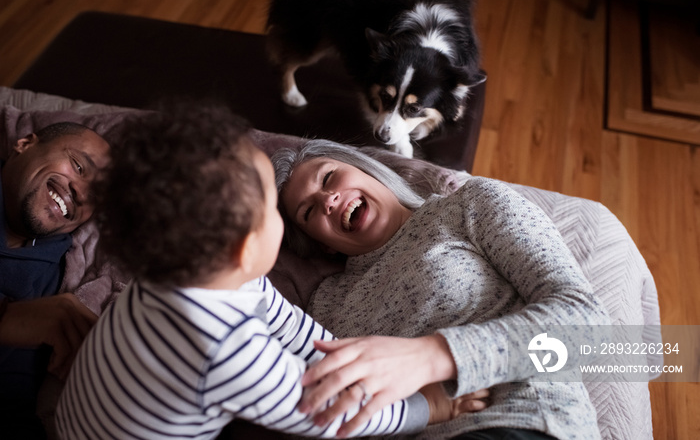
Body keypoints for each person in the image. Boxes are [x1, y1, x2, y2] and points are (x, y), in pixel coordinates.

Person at [55, 106, 481, 439]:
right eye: (277, 215)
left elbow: (285, 321)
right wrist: (429, 409)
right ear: (246, 248)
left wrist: (347, 362)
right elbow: (327, 414)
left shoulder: (175, 272)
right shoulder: (225, 349)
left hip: (81, 414)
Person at [272, 139, 612, 440]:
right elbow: (331, 416)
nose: (328, 201)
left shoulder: (466, 207)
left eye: (328, 178)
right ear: (322, 245)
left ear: (367, 170)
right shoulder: (325, 309)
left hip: (516, 421)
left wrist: (433, 357)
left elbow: (590, 327)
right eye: (309, 211)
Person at [0, 122, 111, 436]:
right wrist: (6, 319)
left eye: (97, 198)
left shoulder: (52, 278)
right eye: (78, 166)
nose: (81, 191)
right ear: (24, 144)